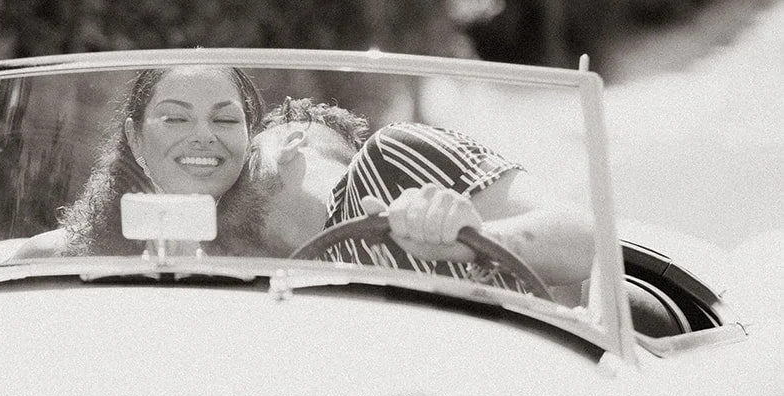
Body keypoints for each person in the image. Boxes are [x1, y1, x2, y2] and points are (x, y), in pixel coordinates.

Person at [243, 96, 595, 298]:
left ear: (290, 144)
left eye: (249, 154)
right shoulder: (287, 283)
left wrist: (474, 239)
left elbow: (590, 241)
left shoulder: (388, 159)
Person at [9, 64, 265, 260]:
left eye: (225, 120)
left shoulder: (280, 262)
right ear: (135, 138)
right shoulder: (56, 258)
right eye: (175, 118)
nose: (203, 136)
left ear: (250, 136)